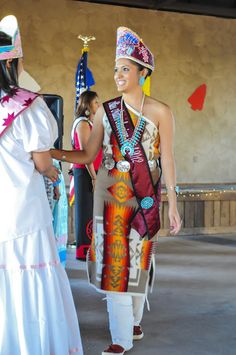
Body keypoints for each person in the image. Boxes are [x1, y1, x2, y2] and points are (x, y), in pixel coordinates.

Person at [51, 26, 181, 355]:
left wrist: (174, 204)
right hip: (110, 200)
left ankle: (134, 321)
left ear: (143, 72)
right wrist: (53, 152)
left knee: (138, 265)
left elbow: (167, 159)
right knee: (116, 267)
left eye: (125, 68)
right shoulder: (105, 113)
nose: (118, 75)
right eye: (116, 69)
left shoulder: (161, 112)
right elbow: (87, 155)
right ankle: (120, 338)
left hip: (146, 198)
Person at [0, 15, 83, 354]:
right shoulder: (27, 105)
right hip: (24, 212)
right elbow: (43, 161)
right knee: (30, 279)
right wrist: (49, 171)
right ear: (14, 62)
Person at [71, 90, 102, 260]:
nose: (99, 105)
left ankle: (93, 248)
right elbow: (86, 154)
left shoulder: (90, 123)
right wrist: (94, 177)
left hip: (91, 171)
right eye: (96, 102)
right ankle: (84, 251)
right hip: (85, 173)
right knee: (86, 212)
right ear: (87, 105)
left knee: (93, 211)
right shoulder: (83, 124)